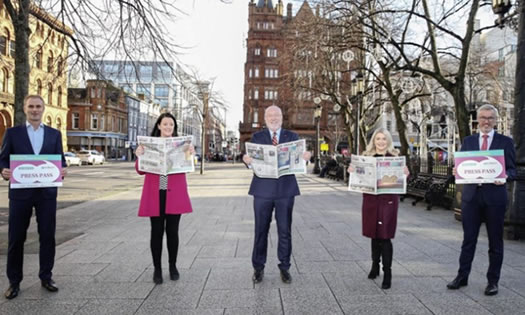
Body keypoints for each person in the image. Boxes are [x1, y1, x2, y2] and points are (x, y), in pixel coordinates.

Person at [0, 95, 67, 299]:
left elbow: (60, 160)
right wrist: (3, 170)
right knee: (16, 238)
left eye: (38, 106)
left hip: (46, 194)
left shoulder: (54, 135)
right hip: (21, 193)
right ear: (25, 108)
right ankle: (14, 281)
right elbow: (3, 159)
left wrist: (63, 169)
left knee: (47, 236)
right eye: (31, 106)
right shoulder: (13, 133)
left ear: (43, 109)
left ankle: (46, 276)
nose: (35, 110)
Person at [447, 104, 516, 296]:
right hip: (471, 199)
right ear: (478, 120)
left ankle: (492, 281)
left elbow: (512, 170)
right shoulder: (468, 141)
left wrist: (505, 177)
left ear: (495, 120)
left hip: (495, 198)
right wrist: (456, 171)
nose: (486, 121)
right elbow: (462, 167)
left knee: (495, 242)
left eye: (490, 118)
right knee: (468, 240)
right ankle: (462, 276)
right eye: (483, 118)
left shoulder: (505, 142)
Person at [242, 105, 311, 284]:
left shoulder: (292, 137)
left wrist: (305, 158)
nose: (273, 118)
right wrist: (247, 161)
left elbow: (299, 162)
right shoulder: (257, 137)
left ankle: (285, 267)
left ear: (282, 117)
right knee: (260, 231)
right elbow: (252, 162)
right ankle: (258, 268)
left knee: (285, 231)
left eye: (277, 115)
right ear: (265, 118)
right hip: (262, 190)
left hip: (285, 191)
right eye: (270, 115)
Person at [135, 113, 193, 284]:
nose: (168, 127)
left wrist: (190, 154)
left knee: (173, 232)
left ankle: (172, 266)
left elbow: (188, 166)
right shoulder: (148, 145)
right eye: (165, 124)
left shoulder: (181, 145)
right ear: (159, 126)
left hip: (174, 194)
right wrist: (139, 155)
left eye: (171, 125)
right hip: (155, 193)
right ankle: (157, 269)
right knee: (156, 232)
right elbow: (140, 170)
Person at [347, 128, 409, 289]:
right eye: (378, 139)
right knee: (374, 235)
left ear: (388, 141)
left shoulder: (395, 158)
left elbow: (402, 178)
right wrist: (352, 172)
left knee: (385, 236)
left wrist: (405, 173)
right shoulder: (367, 157)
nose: (381, 142)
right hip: (370, 200)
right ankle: (375, 265)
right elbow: (358, 177)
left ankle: (387, 272)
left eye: (383, 139)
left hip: (388, 200)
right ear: (373, 141)